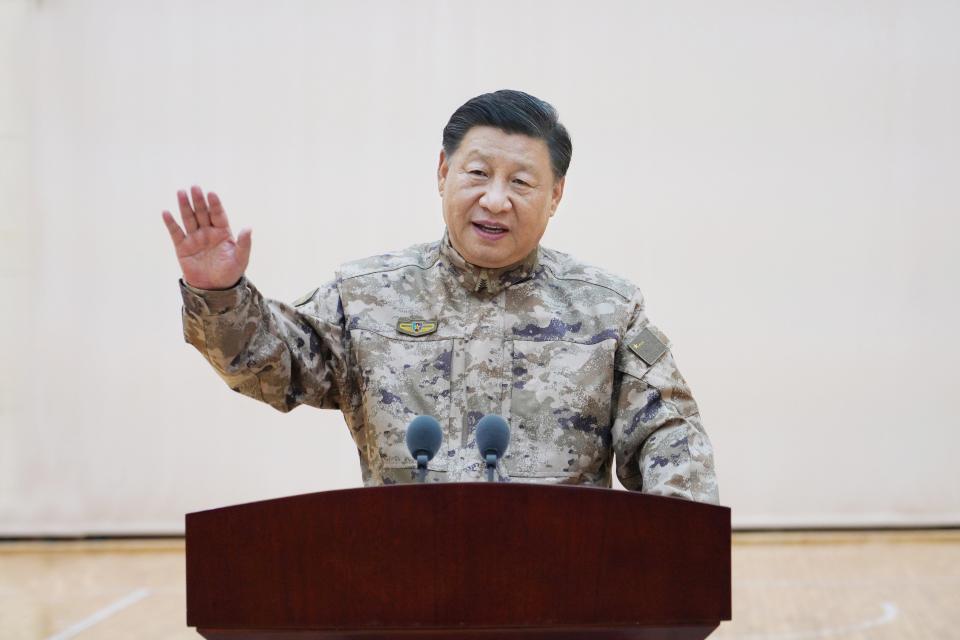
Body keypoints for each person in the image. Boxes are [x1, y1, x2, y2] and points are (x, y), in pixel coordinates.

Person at [161, 90, 719, 503]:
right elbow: (271, 366)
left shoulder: (608, 309)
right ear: (443, 173)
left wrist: (669, 553)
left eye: (521, 183)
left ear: (556, 196)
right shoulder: (365, 296)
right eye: (477, 173)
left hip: (560, 585)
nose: (495, 200)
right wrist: (220, 294)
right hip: (407, 587)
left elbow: (668, 437)